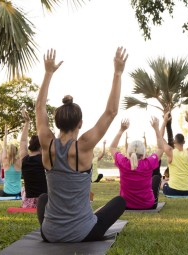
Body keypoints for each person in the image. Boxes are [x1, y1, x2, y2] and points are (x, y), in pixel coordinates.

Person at [35, 47, 128, 242]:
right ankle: (84, 219)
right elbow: (111, 112)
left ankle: (64, 223)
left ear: (57, 123)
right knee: (120, 201)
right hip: (83, 233)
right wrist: (117, 73)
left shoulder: (47, 143)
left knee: (43, 198)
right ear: (80, 124)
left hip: (49, 234)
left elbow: (39, 108)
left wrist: (48, 73)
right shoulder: (83, 146)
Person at [110, 117, 163, 209]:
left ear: (128, 152)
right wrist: (156, 129)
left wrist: (121, 130)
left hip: (125, 205)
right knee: (156, 178)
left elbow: (112, 148)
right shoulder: (148, 163)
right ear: (143, 154)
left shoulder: (123, 162)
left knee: (155, 178)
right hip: (147, 205)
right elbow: (160, 149)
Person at [161, 112, 188, 195]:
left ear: (174, 141)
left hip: (172, 190)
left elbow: (160, 137)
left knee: (161, 180)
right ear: (184, 142)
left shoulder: (170, 152)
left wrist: (165, 121)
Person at [19, 110, 47, 208]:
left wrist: (27, 123)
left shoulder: (24, 159)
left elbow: (23, 141)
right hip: (44, 202)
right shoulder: (45, 160)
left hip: (27, 203)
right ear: (41, 146)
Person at [0, 121, 25, 197]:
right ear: (17, 151)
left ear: (8, 152)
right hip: (18, 193)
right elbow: (23, 145)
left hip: (6, 193)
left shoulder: (5, 160)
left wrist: (6, 133)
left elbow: (4, 146)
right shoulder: (20, 161)